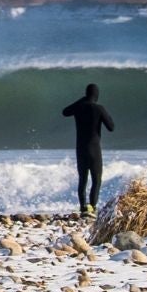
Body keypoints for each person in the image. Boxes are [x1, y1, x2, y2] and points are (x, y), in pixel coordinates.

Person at [61, 83, 115, 217]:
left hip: (80, 149)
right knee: (96, 179)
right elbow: (111, 127)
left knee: (83, 179)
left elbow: (65, 111)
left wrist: (82, 100)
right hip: (94, 149)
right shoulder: (99, 108)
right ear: (96, 95)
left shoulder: (79, 108)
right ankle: (92, 207)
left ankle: (83, 207)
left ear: (86, 94)